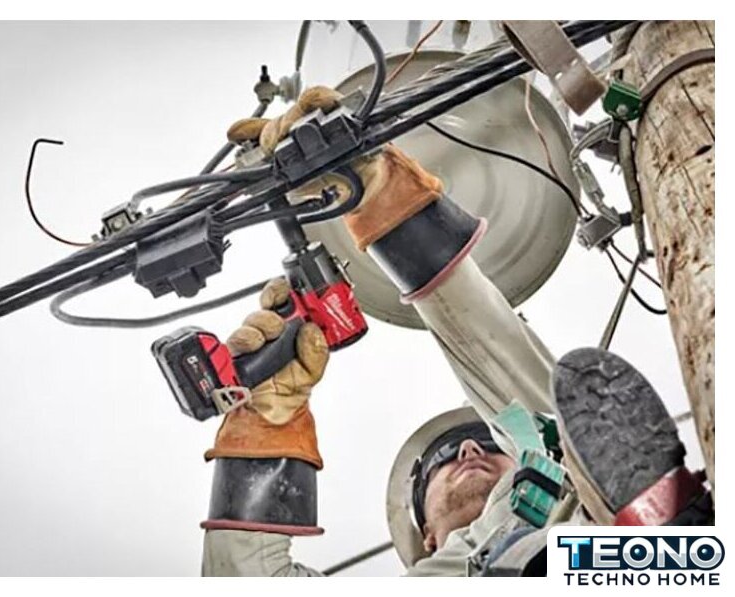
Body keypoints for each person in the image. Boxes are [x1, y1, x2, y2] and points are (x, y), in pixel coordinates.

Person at [199, 87, 711, 576]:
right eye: (443, 458)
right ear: (427, 536)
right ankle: (664, 536)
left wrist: (381, 203)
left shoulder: (560, 491)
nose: (468, 451)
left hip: (601, 549)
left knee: (553, 437)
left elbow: (501, 368)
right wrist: (266, 422)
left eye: (489, 444)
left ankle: (660, 535)